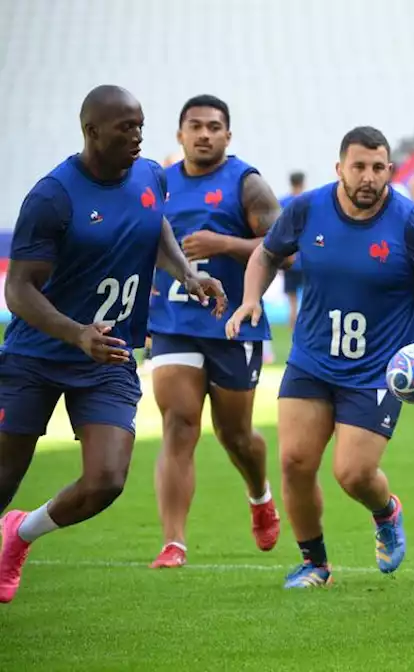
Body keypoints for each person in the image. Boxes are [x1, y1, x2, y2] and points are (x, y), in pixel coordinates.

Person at [0, 85, 225, 603]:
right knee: (6, 472)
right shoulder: (52, 196)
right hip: (37, 355)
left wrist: (188, 274)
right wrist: (76, 332)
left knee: (105, 480)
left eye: (141, 125)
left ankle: (20, 534)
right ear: (92, 131)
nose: (138, 136)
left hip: (108, 355)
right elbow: (18, 289)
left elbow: (154, 225)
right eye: (126, 127)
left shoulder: (151, 175)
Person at [224, 126, 414, 589]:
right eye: (359, 167)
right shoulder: (307, 209)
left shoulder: (413, 223)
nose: (369, 177)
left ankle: (386, 510)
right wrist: (251, 298)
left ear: (390, 170)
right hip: (311, 359)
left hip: (377, 370)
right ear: (340, 169)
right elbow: (266, 255)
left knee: (352, 473)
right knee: (294, 461)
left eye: (378, 167)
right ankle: (315, 564)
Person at [146, 95, 283, 569]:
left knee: (235, 435)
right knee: (179, 424)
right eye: (195, 126)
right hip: (172, 322)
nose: (204, 134)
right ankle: (174, 541)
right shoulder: (157, 184)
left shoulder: (248, 185)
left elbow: (284, 249)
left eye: (214, 127)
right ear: (179, 133)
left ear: (228, 135)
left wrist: (223, 243)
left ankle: (260, 494)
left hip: (233, 326)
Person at [279, 171, 307, 329]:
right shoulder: (310, 202)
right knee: (309, 300)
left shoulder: (283, 202)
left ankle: (293, 335)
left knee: (292, 302)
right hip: (306, 258)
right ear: (303, 183)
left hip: (289, 258)